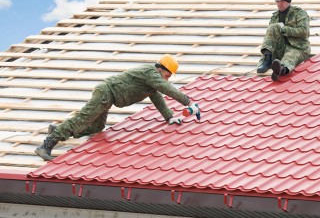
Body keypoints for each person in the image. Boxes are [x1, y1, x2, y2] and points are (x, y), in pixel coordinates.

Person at [35, 54, 200, 161]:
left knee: (97, 127)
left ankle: (57, 129)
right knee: (82, 120)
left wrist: (169, 117)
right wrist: (188, 103)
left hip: (109, 96)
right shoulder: (151, 73)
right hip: (106, 93)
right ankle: (46, 146)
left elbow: (157, 97)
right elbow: (166, 89)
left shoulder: (152, 81)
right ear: (161, 69)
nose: (167, 79)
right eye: (167, 75)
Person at [256, 0, 311, 81]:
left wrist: (285, 29)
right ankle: (267, 59)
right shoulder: (275, 17)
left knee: (290, 57)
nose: (280, 4)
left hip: (298, 48)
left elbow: (304, 32)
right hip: (281, 48)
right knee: (273, 27)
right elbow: (270, 36)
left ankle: (281, 69)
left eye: (282, 1)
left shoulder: (299, 13)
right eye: (277, 1)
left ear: (289, 0)